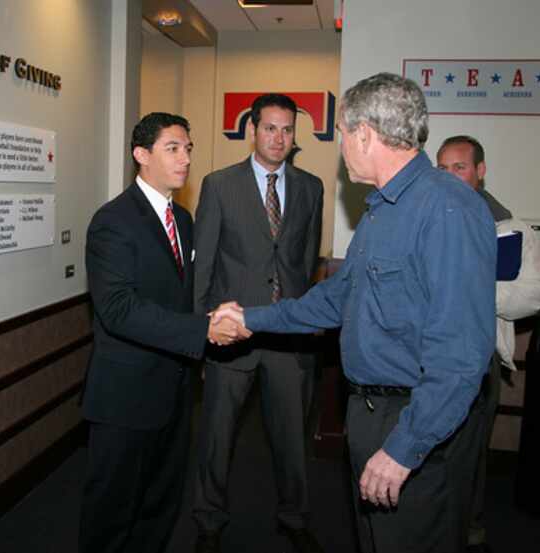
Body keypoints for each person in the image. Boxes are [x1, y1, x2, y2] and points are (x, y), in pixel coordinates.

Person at [213, 73, 497, 553]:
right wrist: (250, 319)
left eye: (343, 131)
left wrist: (405, 448)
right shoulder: (381, 209)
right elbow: (335, 299)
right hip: (370, 412)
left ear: (365, 133)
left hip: (411, 421)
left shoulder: (448, 208)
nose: (340, 143)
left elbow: (461, 356)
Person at [80, 112, 249, 553]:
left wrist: (215, 313)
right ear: (141, 155)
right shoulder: (113, 221)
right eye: (173, 148)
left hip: (174, 391)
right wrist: (202, 330)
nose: (186, 158)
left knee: (160, 506)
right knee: (112, 514)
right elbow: (118, 310)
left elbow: (180, 298)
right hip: (125, 397)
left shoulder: (184, 219)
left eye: (188, 148)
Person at [191, 93, 324, 553]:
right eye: (270, 128)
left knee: (292, 437)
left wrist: (304, 318)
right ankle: (209, 521)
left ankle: (294, 516)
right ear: (252, 130)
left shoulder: (311, 188)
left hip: (289, 337)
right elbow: (203, 265)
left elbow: (305, 264)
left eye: (287, 129)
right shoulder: (219, 185)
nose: (279, 137)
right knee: (217, 436)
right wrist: (201, 336)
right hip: (231, 336)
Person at [437, 135, 540, 553]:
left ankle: (470, 530)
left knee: (469, 455)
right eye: (443, 168)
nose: (450, 176)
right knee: (427, 450)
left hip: (477, 356)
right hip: (426, 357)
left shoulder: (506, 227)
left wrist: (474, 290)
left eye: (460, 168)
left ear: (480, 171)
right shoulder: (425, 217)